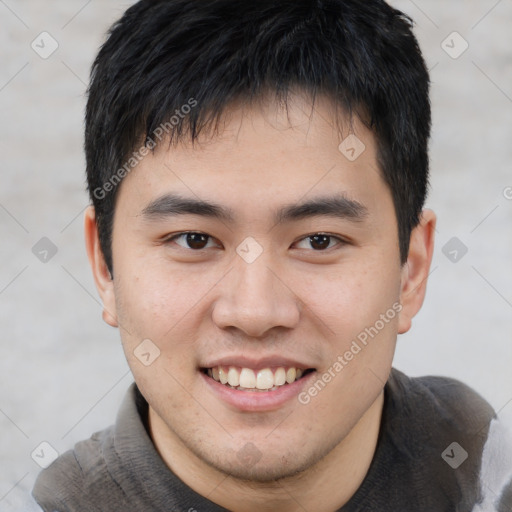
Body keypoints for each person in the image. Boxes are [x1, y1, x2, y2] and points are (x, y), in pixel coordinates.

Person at [32, 0, 512, 510]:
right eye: (194, 240)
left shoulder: (484, 468)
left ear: (411, 270)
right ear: (104, 266)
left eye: (318, 241)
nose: (255, 312)